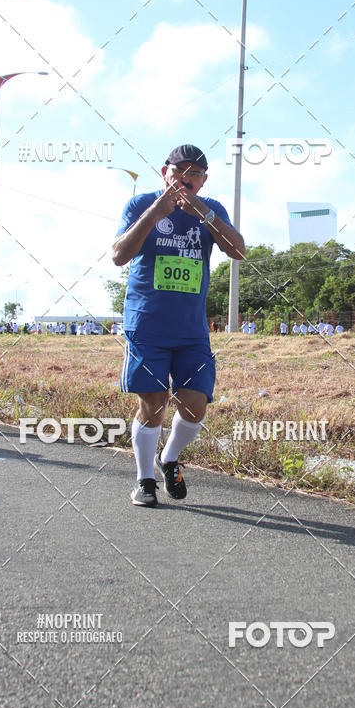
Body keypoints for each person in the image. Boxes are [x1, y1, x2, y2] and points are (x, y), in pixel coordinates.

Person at [112, 145, 245, 507]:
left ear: (204, 180)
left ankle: (169, 458)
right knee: (153, 405)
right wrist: (157, 213)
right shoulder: (140, 204)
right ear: (164, 172)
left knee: (195, 404)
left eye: (195, 174)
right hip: (147, 323)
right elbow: (118, 255)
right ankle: (145, 479)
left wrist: (202, 212)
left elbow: (239, 250)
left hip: (191, 330)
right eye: (179, 171)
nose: (185, 179)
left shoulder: (211, 209)